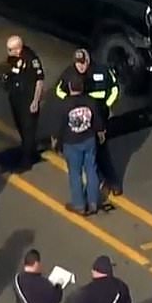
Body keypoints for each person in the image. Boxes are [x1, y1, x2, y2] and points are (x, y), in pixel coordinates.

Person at [56, 49, 122, 196]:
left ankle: (113, 182)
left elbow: (115, 89)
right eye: (77, 63)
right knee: (90, 156)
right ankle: (99, 183)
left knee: (102, 151)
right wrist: (70, 103)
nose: (80, 66)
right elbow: (59, 90)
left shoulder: (102, 71)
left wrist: (106, 105)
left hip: (99, 117)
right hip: (81, 120)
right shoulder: (69, 73)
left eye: (83, 62)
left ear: (88, 60)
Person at [52, 75, 106, 216]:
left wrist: (56, 140)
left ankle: (79, 205)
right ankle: (93, 202)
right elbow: (97, 119)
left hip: (72, 143)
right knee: (91, 170)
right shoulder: (90, 101)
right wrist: (100, 132)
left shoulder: (65, 104)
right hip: (89, 140)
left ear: (70, 87)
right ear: (82, 88)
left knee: (75, 174)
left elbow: (60, 125)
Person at [0, 35, 45, 170]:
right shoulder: (13, 58)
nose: (8, 52)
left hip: (28, 99)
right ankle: (29, 151)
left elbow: (39, 80)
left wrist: (36, 101)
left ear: (18, 49)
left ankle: (26, 160)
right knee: (20, 126)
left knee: (28, 129)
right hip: (16, 97)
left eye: (10, 49)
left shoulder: (31, 59)